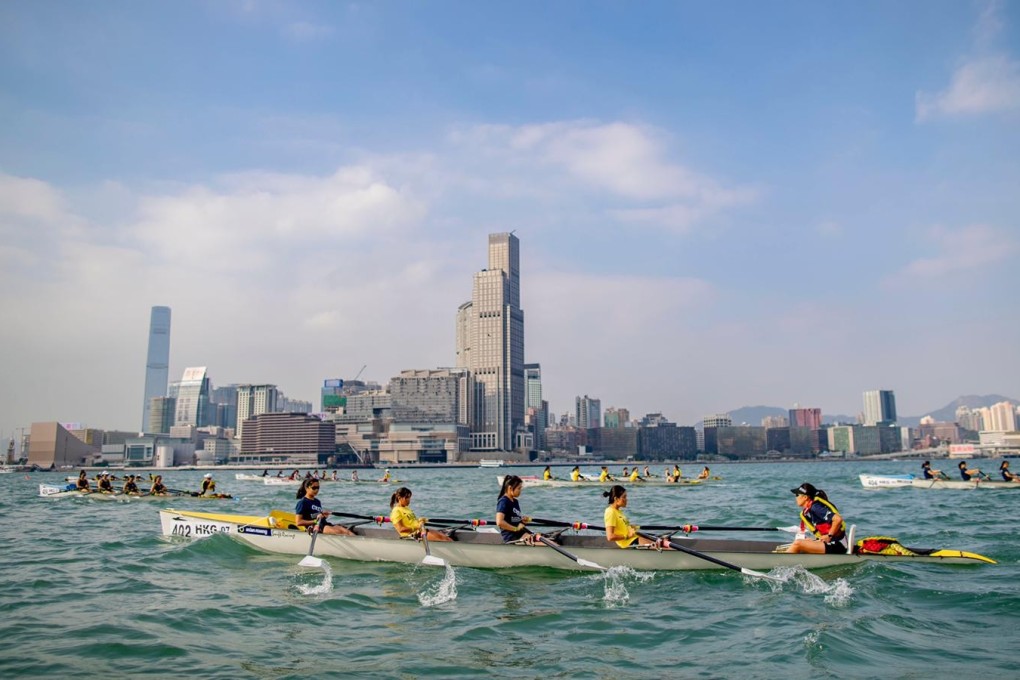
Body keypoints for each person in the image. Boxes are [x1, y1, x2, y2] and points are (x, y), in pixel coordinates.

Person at [785, 482, 846, 554]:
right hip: (832, 543)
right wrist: (815, 540)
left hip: (836, 545)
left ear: (805, 497)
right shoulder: (809, 510)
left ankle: (780, 562)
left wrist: (829, 536)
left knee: (797, 543)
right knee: (804, 541)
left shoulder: (816, 508)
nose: (796, 497)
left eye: (797, 495)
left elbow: (838, 519)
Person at [495, 475, 542, 544]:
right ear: (510, 488)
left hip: (520, 533)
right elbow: (499, 522)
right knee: (543, 543)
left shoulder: (515, 502)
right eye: (519, 488)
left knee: (547, 539)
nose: (520, 491)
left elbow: (513, 520)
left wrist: (522, 521)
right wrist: (515, 529)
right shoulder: (503, 502)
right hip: (511, 537)